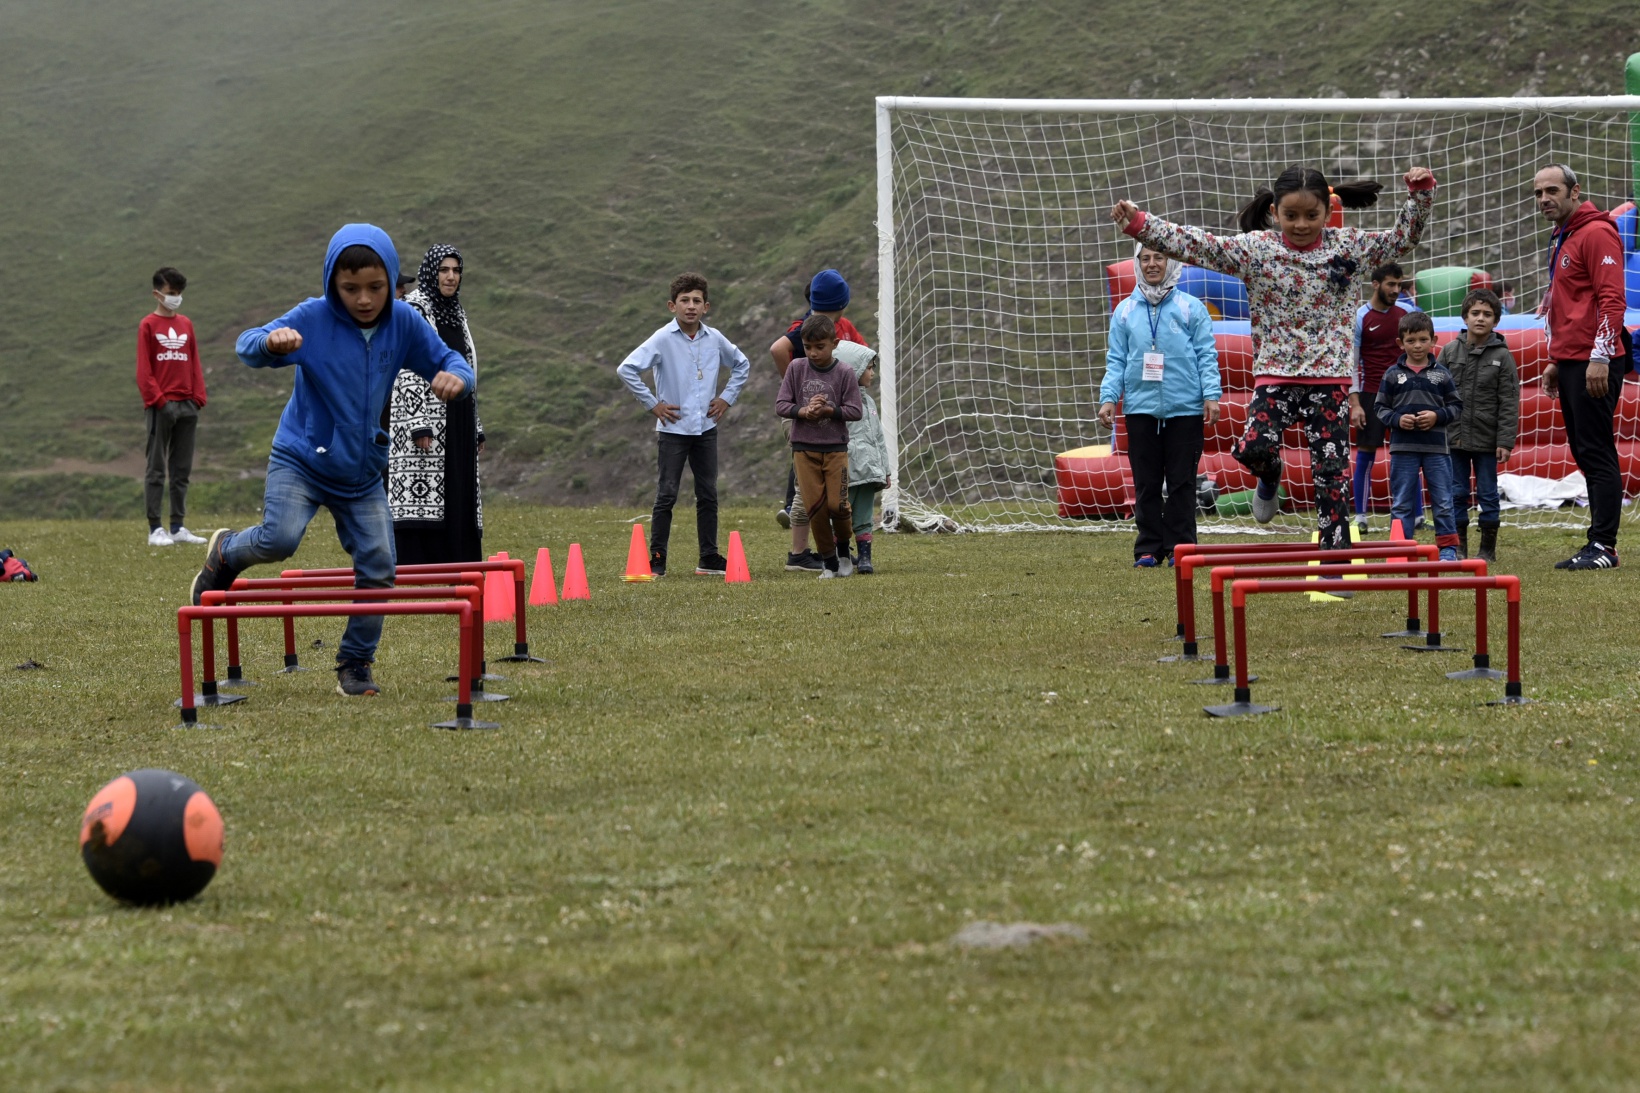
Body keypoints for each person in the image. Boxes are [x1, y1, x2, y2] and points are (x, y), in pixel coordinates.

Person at [188, 224, 475, 697]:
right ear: (331, 284)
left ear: (391, 283)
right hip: (300, 459)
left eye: (375, 288)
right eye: (350, 289)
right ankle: (225, 553)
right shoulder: (315, 317)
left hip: (361, 472)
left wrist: (455, 379)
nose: (364, 299)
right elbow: (248, 344)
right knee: (279, 539)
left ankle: (355, 663)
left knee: (381, 564)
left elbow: (448, 358)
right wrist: (270, 344)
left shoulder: (403, 323)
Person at [1112, 164, 1436, 551]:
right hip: (1275, 377)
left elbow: (1403, 239)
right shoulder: (1258, 251)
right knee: (1253, 448)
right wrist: (1141, 225)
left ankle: (1335, 565)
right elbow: (1199, 245)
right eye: (1291, 216)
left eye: (1312, 216)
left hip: (1329, 380)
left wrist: (1420, 193)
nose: (1302, 224)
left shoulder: (1348, 248)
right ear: (1274, 213)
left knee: (1331, 477)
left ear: (1328, 213)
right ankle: (1270, 476)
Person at [617, 272, 751, 577]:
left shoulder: (715, 338)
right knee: (666, 494)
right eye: (684, 301)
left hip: (706, 429)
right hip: (673, 430)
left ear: (706, 307)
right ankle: (657, 559)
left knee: (708, 494)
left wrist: (726, 398)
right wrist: (653, 404)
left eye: (697, 301)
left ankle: (709, 557)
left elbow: (742, 364)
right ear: (671, 305)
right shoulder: (663, 339)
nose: (690, 306)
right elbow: (626, 369)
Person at [1098, 244, 1222, 566]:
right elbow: (1116, 360)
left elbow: (1207, 355)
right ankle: (1148, 548)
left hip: (1186, 409)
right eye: (1145, 258)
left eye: (1159, 257)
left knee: (1182, 483)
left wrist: (1211, 394)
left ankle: (1182, 550)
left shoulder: (1191, 308)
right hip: (1140, 409)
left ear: (1171, 262)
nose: (1152, 264)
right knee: (1146, 482)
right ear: (1138, 264)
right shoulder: (1124, 311)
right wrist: (1109, 398)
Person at [1533, 163, 1629, 570]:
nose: (1543, 199)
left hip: (1596, 360)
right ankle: (1598, 541)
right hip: (1574, 360)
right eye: (1538, 193)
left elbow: (1612, 301)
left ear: (1575, 192)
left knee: (1596, 450)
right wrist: (1557, 359)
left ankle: (1604, 546)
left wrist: (1600, 357)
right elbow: (1570, 304)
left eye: (1552, 190)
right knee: (1585, 451)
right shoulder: (1565, 234)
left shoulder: (1596, 232)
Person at [387, 245, 485, 565]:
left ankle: (458, 562)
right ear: (432, 271)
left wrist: (477, 425)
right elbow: (406, 365)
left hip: (457, 414)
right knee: (423, 493)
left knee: (457, 486)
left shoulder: (455, 311)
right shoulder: (415, 308)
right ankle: (419, 566)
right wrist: (419, 421)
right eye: (444, 270)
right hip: (427, 417)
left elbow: (466, 367)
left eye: (456, 270)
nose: (451, 276)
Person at [768, 269, 868, 570]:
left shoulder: (841, 328)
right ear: (844, 302)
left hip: (832, 423)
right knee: (806, 486)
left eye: (819, 348)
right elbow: (778, 349)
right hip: (803, 417)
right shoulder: (808, 328)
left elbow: (864, 359)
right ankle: (800, 553)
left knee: (828, 489)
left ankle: (834, 549)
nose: (813, 352)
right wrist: (796, 392)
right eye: (809, 348)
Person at [1374, 311, 1462, 562]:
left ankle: (1447, 549)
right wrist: (1397, 420)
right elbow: (1380, 408)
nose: (1417, 345)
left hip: (1437, 450)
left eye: (1423, 340)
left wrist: (1437, 416)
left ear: (1433, 340)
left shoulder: (1441, 374)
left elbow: (1456, 407)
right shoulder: (1392, 374)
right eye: (1411, 341)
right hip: (1403, 449)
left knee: (1443, 500)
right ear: (1400, 343)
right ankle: (1400, 551)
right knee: (1402, 501)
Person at [1438, 288, 1518, 562]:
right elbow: (1435, 393)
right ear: (1465, 317)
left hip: (1488, 440)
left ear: (1496, 321)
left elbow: (1508, 401)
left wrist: (1505, 441)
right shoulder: (1448, 352)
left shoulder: (1503, 357)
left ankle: (1488, 550)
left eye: (1487, 314)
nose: (1480, 319)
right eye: (1475, 313)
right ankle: (1459, 547)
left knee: (1488, 494)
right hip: (1454, 438)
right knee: (1456, 492)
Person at [1349, 262, 1423, 536]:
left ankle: (1416, 516)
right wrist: (1355, 403)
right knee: (1366, 455)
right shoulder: (1360, 317)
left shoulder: (1408, 313)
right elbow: (1352, 363)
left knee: (1410, 454)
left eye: (1399, 285)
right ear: (1375, 284)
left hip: (1405, 393)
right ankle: (1361, 517)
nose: (1396, 290)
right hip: (1370, 395)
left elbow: (1422, 352)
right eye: (1391, 284)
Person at [137, 267, 209, 546]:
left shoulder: (186, 324)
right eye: (170, 293)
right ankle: (155, 529)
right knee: (156, 469)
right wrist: (159, 401)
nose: (175, 298)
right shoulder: (148, 325)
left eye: (179, 294)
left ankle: (178, 527)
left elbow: (194, 362)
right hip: (161, 407)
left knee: (182, 470)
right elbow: (144, 371)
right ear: (157, 293)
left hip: (188, 405)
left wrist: (198, 397)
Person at [844, 345, 890, 574]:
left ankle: (864, 558)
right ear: (854, 369)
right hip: (848, 472)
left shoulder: (870, 403)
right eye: (868, 368)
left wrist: (885, 469)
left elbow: (879, 439)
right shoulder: (843, 403)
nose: (872, 373)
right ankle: (840, 555)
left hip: (869, 473)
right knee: (841, 515)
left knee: (864, 515)